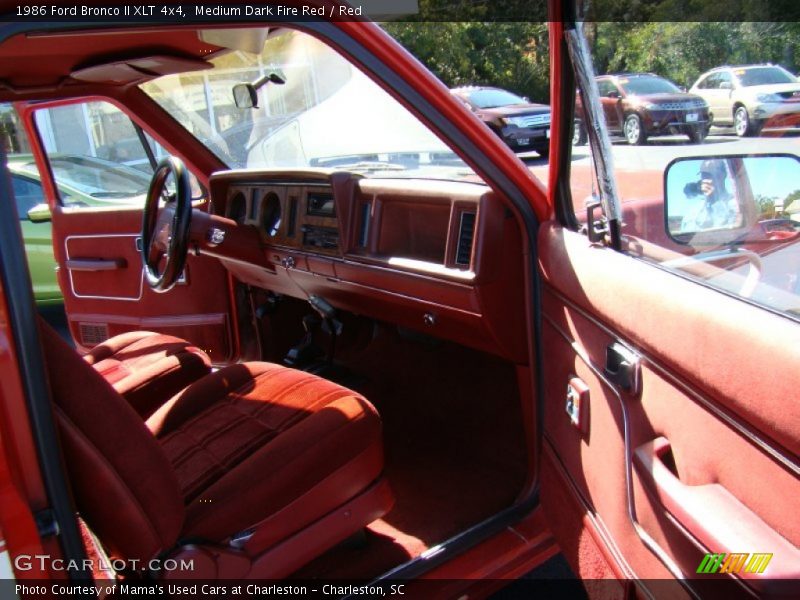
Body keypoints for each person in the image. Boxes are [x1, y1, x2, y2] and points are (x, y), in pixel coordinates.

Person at [680, 159, 741, 232]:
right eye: (703, 175)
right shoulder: (694, 209)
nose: (705, 179)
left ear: (723, 175)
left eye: (711, 174)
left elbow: (731, 231)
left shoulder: (735, 204)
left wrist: (714, 201)